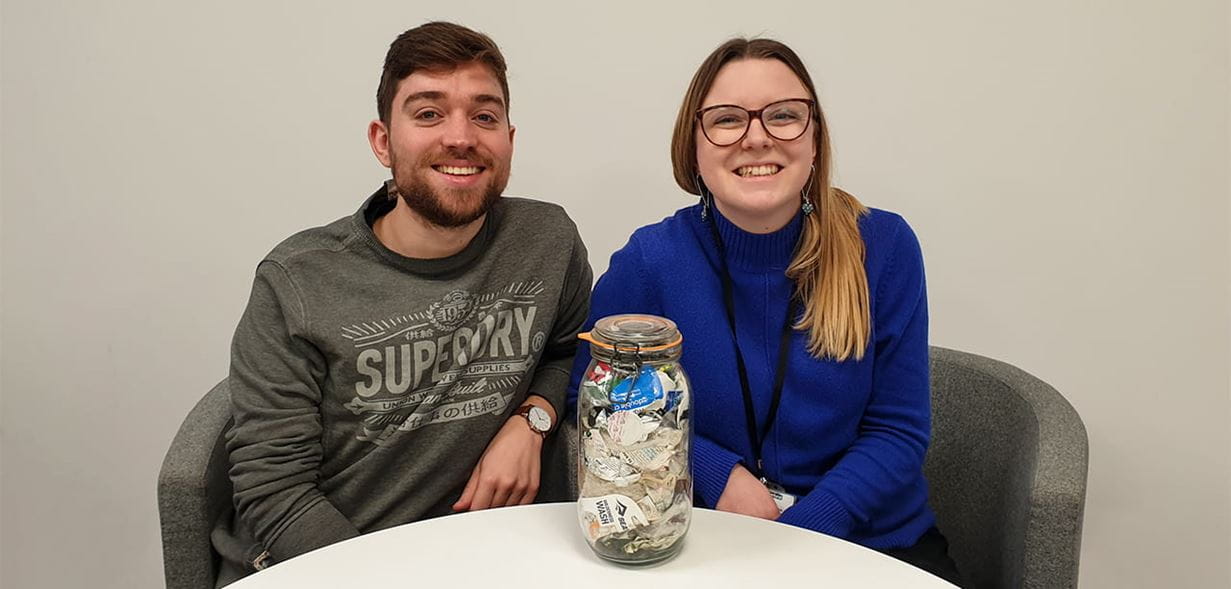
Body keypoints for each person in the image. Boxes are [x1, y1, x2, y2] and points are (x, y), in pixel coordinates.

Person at [568, 37, 962, 585]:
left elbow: (897, 431)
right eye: (728, 120)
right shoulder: (651, 260)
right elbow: (594, 399)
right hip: (702, 540)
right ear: (693, 148)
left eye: (783, 116)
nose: (757, 138)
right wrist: (715, 473)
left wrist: (799, 532)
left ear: (815, 138)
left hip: (870, 544)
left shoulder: (885, 246)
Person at [215, 21, 591, 584]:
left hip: (480, 557)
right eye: (428, 113)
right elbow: (275, 492)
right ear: (383, 141)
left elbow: (568, 351)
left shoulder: (546, 241)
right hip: (322, 564)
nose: (460, 137)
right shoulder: (297, 280)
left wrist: (530, 421)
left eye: (484, 116)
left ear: (509, 139)